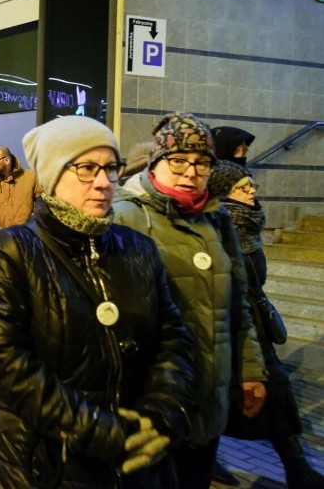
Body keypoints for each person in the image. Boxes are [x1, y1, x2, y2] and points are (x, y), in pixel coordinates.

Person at [0, 116, 195, 488]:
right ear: (53, 176)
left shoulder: (137, 247)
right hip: (46, 462)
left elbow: (173, 336)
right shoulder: (13, 250)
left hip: (137, 461)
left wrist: (164, 412)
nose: (104, 181)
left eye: (111, 167)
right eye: (87, 168)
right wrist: (101, 431)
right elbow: (4, 361)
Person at [114, 112, 267, 489]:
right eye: (178, 160)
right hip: (150, 401)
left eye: (201, 162)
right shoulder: (124, 217)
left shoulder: (218, 220)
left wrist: (251, 371)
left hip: (209, 394)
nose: (190, 171)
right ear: (156, 162)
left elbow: (240, 305)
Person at [208, 161, 324, 489]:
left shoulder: (247, 227)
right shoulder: (219, 228)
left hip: (254, 321)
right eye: (243, 188)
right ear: (223, 194)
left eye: (251, 185)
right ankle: (295, 468)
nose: (252, 191)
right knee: (250, 393)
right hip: (234, 327)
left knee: (261, 395)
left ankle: (295, 467)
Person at [0, 144, 43, 228]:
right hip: (0, 238)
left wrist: (32, 226)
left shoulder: (30, 177)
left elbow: (44, 203)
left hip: (27, 237)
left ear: (7, 160)